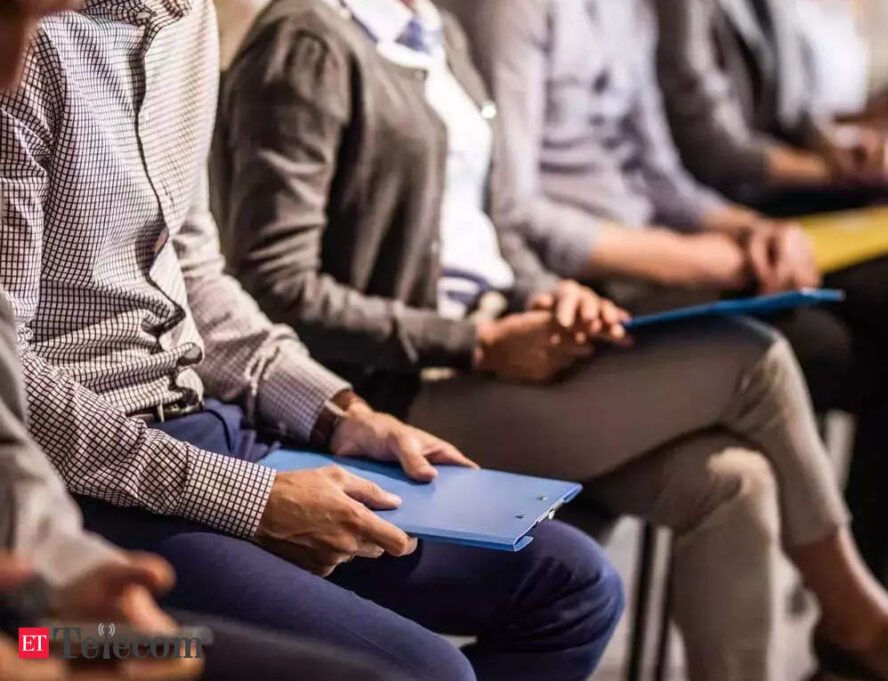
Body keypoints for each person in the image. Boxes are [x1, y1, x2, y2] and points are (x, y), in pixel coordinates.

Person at [215, 1, 888, 680]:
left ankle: (866, 623)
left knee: (735, 479)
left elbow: (498, 227)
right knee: (756, 359)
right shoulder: (310, 41)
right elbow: (275, 283)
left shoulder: (433, 25)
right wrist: (477, 339)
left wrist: (555, 297)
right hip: (408, 384)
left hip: (505, 334)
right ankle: (862, 618)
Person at [0, 0, 625, 678]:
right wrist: (250, 499)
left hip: (210, 426)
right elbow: (14, 376)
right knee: (428, 672)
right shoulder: (26, 41)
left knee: (575, 584)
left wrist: (340, 412)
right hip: (95, 479)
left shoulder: (187, 19)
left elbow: (198, 274)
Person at [444, 0, 888, 679]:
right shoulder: (513, 11)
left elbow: (660, 173)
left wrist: (745, 230)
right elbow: (516, 207)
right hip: (597, 282)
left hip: (670, 241)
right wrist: (708, 258)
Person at [653, 0, 888, 329]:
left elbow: (796, 112)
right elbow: (716, 148)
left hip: (792, 174)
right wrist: (840, 170)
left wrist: (845, 148)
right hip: (743, 194)